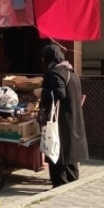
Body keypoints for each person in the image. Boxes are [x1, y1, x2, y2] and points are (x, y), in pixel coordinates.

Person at [35, 45, 88, 187]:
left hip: (61, 119)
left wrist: (42, 92)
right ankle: (72, 181)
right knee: (71, 151)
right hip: (73, 116)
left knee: (58, 150)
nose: (42, 60)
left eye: (44, 57)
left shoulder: (55, 72)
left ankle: (60, 183)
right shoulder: (70, 70)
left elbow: (60, 93)